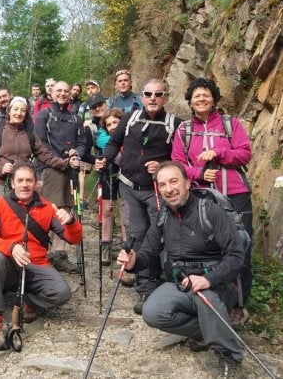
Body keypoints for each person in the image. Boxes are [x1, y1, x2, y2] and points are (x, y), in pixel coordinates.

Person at [117, 161, 244, 377]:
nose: (169, 189)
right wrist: (133, 263)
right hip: (180, 283)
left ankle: (229, 355)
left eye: (174, 181)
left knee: (205, 298)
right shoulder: (162, 217)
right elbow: (148, 253)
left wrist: (208, 279)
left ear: (187, 182)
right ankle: (209, 331)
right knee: (152, 313)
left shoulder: (211, 212)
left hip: (216, 284)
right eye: (163, 184)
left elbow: (236, 255)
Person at [171, 77, 252, 325]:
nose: (201, 98)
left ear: (214, 98)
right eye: (196, 95)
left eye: (206, 94)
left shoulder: (230, 124)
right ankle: (208, 300)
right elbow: (177, 164)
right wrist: (198, 173)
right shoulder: (183, 130)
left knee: (239, 246)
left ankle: (238, 304)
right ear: (190, 101)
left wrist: (219, 153)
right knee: (208, 249)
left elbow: (245, 153)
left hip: (235, 195)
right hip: (201, 198)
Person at [97, 79, 180, 314]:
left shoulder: (175, 124)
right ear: (141, 96)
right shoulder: (129, 118)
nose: (153, 98)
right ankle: (145, 289)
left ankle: (167, 282)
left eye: (158, 94)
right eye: (148, 94)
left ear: (165, 96)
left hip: (157, 191)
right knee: (136, 236)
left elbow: (182, 160)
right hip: (129, 188)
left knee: (160, 235)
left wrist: (164, 165)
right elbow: (114, 142)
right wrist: (105, 159)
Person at [0, 162, 82, 350]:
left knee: (62, 293)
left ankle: (27, 298)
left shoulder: (47, 207)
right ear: (12, 183)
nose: (24, 185)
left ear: (36, 183)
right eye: (20, 180)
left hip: (37, 264)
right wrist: (10, 247)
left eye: (29, 180)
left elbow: (73, 239)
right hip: (9, 263)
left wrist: (71, 222)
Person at [34, 81, 85, 272]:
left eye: (66, 91)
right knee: (50, 209)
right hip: (52, 168)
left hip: (71, 168)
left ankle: (59, 254)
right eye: (59, 91)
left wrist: (75, 153)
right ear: (52, 93)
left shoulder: (76, 118)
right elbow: (41, 145)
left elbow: (82, 143)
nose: (63, 94)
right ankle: (41, 252)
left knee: (67, 209)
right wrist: (61, 159)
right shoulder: (44, 115)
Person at [0, 96, 74, 200]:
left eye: (23, 110)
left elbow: (47, 157)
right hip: (2, 182)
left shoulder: (31, 136)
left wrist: (67, 162)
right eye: (16, 109)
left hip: (25, 183)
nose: (19, 113)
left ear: (26, 114)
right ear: (9, 111)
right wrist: (1, 169)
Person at [95, 109, 126, 266]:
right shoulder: (104, 140)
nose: (113, 127)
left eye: (115, 122)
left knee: (126, 211)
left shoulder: (130, 137)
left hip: (128, 174)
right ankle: (106, 244)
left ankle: (127, 246)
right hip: (108, 172)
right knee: (107, 210)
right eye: (109, 125)